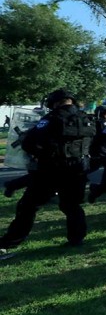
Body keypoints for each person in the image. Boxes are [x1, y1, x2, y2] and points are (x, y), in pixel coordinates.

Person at [0, 90, 93, 250]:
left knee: (28, 205)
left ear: (55, 102)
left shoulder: (52, 118)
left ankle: (10, 241)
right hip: (78, 169)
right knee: (71, 205)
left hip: (52, 169)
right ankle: (76, 239)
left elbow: (29, 142)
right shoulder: (86, 118)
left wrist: (40, 154)